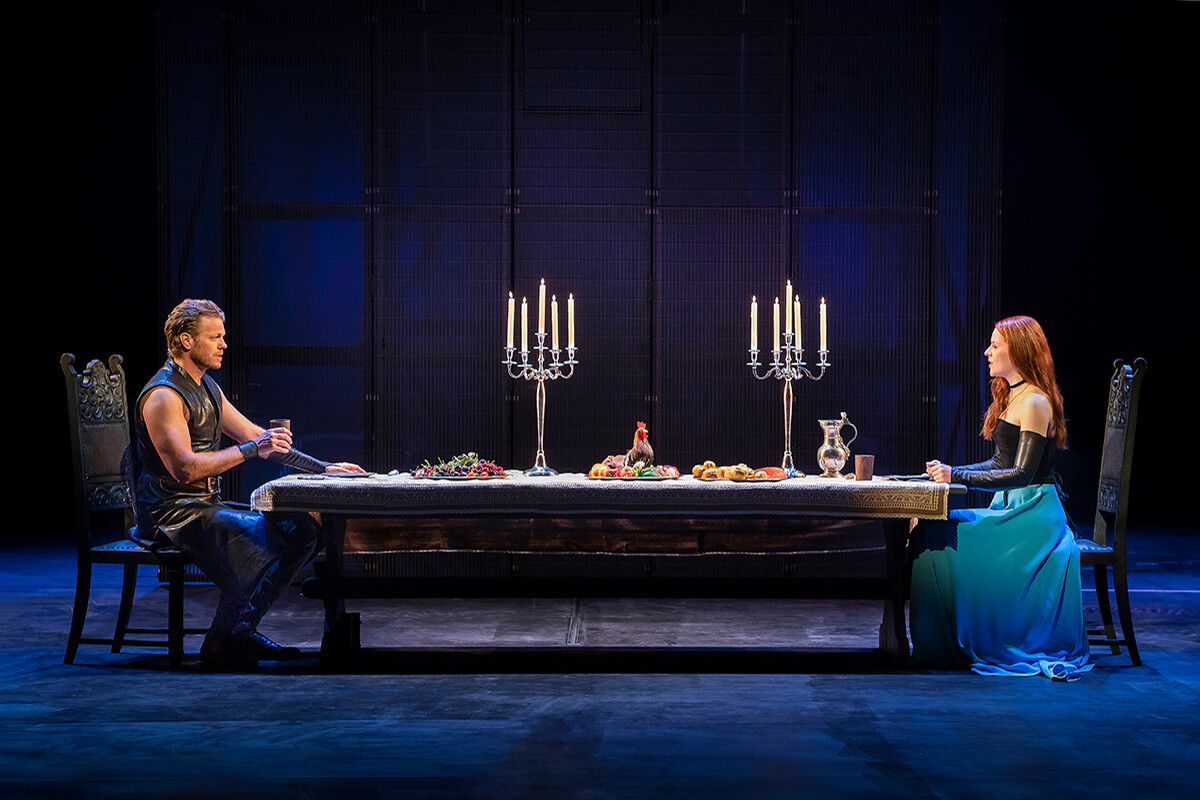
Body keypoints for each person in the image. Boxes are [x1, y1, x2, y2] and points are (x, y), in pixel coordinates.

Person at [134, 299, 365, 669]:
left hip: (204, 506)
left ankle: (240, 628)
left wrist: (324, 468)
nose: (224, 344)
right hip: (169, 514)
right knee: (260, 535)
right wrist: (251, 449)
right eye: (215, 337)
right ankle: (221, 642)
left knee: (305, 529)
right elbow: (185, 470)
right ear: (187, 341)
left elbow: (261, 440)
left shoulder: (207, 388)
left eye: (223, 336)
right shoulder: (164, 395)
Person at [911, 315, 1091, 679]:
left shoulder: (1035, 401)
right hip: (1012, 508)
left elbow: (1022, 474)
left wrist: (958, 476)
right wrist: (950, 470)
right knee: (927, 527)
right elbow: (999, 463)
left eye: (995, 346)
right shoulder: (1014, 396)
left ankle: (953, 645)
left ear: (1019, 351)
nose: (987, 352)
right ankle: (942, 644)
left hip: (1032, 517)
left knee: (934, 534)